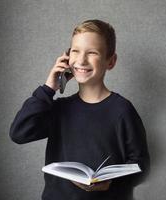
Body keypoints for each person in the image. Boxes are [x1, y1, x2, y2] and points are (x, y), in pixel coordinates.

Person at [9, 19, 150, 200]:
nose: (81, 60)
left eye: (92, 53)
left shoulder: (122, 110)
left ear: (111, 61)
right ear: (67, 57)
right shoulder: (59, 109)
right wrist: (48, 88)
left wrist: (112, 183)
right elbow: (19, 133)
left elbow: (142, 166)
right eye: (75, 51)